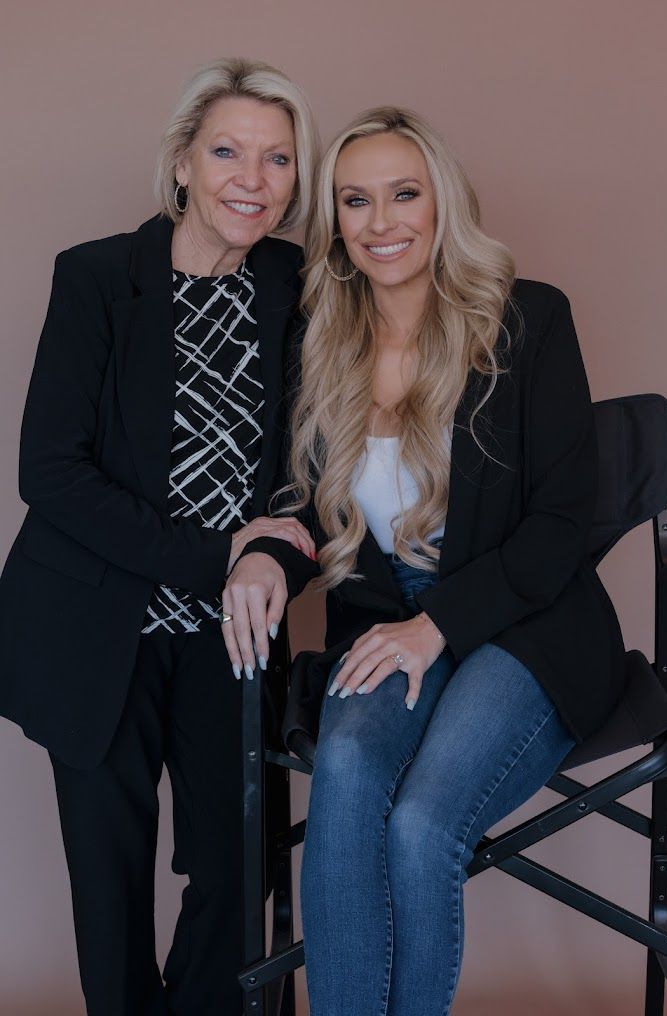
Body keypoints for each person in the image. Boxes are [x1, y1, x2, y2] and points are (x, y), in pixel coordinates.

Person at [221, 106, 626, 1015]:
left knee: (422, 824)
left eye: (403, 194)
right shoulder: (318, 340)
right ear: (334, 225)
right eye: (355, 202)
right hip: (384, 619)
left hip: (528, 623)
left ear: (443, 201)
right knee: (348, 781)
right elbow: (293, 502)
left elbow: (562, 523)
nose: (381, 222)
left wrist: (435, 626)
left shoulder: (525, 319)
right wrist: (259, 554)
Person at [0, 57, 318, 1015]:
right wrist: (221, 552)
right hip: (95, 624)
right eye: (227, 151)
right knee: (110, 878)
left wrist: (270, 550)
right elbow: (48, 472)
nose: (250, 181)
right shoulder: (98, 278)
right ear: (183, 163)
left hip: (233, 630)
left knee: (235, 867)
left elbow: (315, 470)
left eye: (277, 159)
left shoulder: (299, 286)